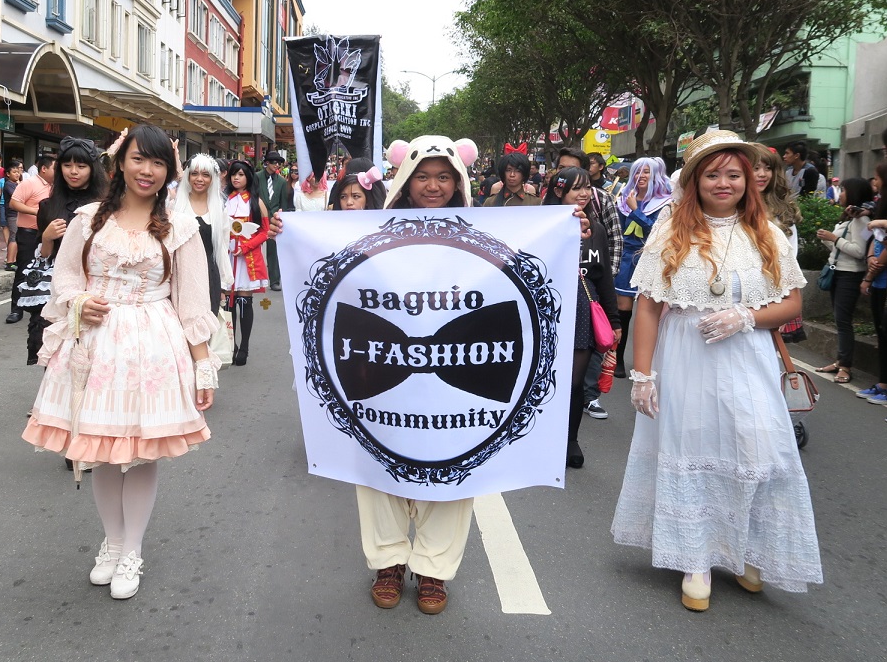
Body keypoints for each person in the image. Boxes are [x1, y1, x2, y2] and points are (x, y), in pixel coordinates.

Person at [271, 134, 591, 614]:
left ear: (459, 180)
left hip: (457, 376)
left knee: (452, 471)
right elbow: (332, 268)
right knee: (378, 465)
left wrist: (570, 229)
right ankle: (388, 562)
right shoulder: (367, 230)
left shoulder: (491, 228)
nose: (434, 185)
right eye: (423, 175)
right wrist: (287, 231)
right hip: (383, 370)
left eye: (444, 176)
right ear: (404, 179)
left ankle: (433, 571)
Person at [611, 130, 822, 612]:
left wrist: (747, 316)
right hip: (685, 354)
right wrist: (642, 375)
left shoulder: (765, 232)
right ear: (694, 180)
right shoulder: (671, 229)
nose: (723, 183)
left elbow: (792, 300)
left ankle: (750, 549)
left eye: (733, 174)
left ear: (749, 180)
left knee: (755, 444)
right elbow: (647, 307)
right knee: (695, 444)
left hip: (746, 355)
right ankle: (696, 558)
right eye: (712, 174)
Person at [22, 124, 218, 601]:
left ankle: (133, 549)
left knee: (144, 451)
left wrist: (203, 364)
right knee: (102, 450)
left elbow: (193, 300)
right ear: (120, 163)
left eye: (156, 162)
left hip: (154, 344)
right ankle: (111, 543)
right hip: (96, 343)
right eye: (137, 159)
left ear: (168, 170)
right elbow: (64, 281)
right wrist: (78, 303)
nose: (146, 170)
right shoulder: (88, 219)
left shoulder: (181, 227)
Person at [543, 167, 621, 466]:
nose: (584, 193)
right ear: (559, 192)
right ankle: (543, 439)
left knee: (573, 384)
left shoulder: (597, 229)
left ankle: (570, 440)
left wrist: (614, 320)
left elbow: (603, 279)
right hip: (548, 310)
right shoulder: (542, 228)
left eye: (587, 187)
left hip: (583, 310)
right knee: (547, 380)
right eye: (576, 188)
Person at [17, 138, 110, 366]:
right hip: (60, 287)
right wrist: (47, 237)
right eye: (67, 165)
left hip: (96, 285)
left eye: (81, 166)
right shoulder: (48, 206)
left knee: (93, 350)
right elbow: (45, 257)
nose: (73, 172)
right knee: (55, 348)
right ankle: (52, 399)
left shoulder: (107, 205)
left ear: (92, 169)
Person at [612, 157, 673, 378]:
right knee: (623, 312)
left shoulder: (666, 203)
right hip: (627, 259)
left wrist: (636, 210)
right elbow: (617, 231)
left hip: (653, 259)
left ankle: (649, 363)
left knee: (652, 313)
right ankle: (618, 360)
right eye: (637, 171)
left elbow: (656, 234)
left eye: (646, 171)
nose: (641, 176)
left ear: (656, 174)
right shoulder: (624, 199)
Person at [814, 177, 874, 385]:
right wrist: (829, 240)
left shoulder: (862, 221)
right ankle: (840, 361)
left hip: (850, 275)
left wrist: (834, 239)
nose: (840, 194)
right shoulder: (848, 218)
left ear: (854, 193)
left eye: (844, 190)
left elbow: (859, 252)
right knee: (840, 320)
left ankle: (845, 366)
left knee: (843, 321)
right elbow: (841, 250)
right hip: (838, 271)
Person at [754, 145, 805, 343]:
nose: (762, 174)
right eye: (756, 168)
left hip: (775, 292)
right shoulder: (727, 208)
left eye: (768, 168)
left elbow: (791, 256)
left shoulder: (781, 209)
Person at [173, 154, 233, 315]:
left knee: (206, 332)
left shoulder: (219, 210)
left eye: (205, 175)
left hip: (209, 278)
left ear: (213, 178)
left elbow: (222, 248)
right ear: (188, 176)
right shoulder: (174, 206)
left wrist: (223, 285)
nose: (199, 179)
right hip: (180, 278)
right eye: (194, 173)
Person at [225, 160, 270, 365]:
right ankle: (230, 344)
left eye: (241, 174)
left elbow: (265, 232)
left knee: (244, 301)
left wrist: (245, 246)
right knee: (228, 303)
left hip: (247, 257)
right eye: (234, 174)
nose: (236, 178)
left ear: (248, 177)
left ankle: (244, 346)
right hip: (227, 255)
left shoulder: (255, 201)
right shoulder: (225, 200)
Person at [7, 154, 55, 324]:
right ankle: (16, 308)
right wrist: (37, 212)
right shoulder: (30, 183)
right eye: (54, 168)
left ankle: (41, 305)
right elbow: (14, 203)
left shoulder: (55, 187)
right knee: (24, 269)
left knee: (47, 271)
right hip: (29, 232)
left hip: (49, 234)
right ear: (44, 168)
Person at [861, 161, 887, 407]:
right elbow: (876, 240)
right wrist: (871, 257)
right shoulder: (880, 205)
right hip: (879, 279)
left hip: (882, 278)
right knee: (882, 332)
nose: (875, 183)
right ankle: (883, 384)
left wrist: (871, 272)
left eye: (877, 178)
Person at [257, 151, 287, 290]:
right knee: (253, 248)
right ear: (267, 163)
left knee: (273, 251)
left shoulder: (281, 182)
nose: (277, 165)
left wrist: (282, 218)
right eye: (274, 162)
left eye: (279, 163)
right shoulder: (256, 178)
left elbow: (283, 203)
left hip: (274, 219)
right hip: (257, 217)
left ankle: (274, 280)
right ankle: (253, 279)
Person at [2, 160, 23, 270]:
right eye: (14, 172)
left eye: (18, 172)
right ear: (8, 174)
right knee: (13, 236)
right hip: (12, 214)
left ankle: (15, 260)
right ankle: (10, 262)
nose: (17, 174)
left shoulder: (17, 184)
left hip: (19, 214)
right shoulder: (8, 184)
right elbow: (17, 196)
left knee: (17, 237)